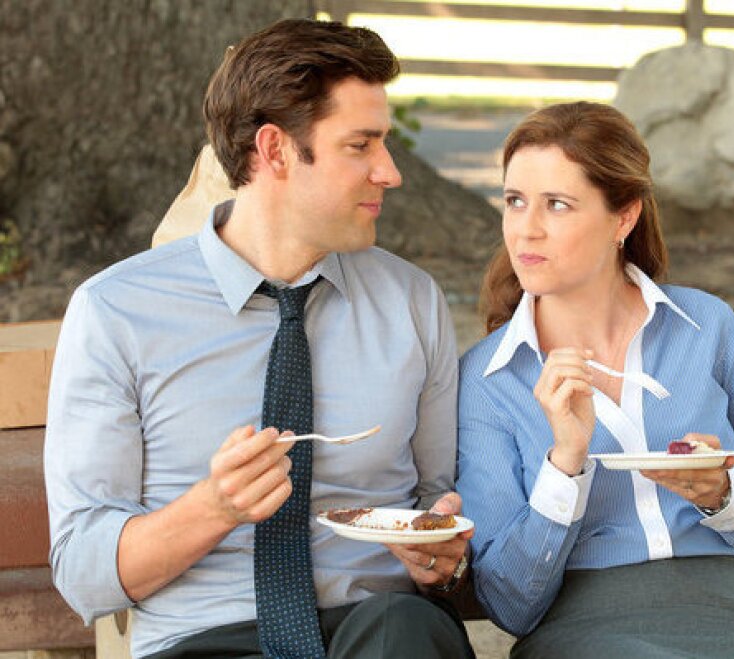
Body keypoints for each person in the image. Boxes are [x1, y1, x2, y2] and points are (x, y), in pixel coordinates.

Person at [45, 19, 474, 659]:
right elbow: (84, 574)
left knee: (408, 632)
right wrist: (213, 508)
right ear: (274, 150)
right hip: (203, 640)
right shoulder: (116, 312)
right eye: (361, 146)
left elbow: (435, 504)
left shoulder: (411, 302)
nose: (390, 172)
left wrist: (437, 553)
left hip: (379, 632)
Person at [455, 101, 734, 658]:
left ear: (623, 218)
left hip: (729, 613)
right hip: (582, 627)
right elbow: (508, 604)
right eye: (514, 201)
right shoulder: (488, 377)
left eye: (557, 204)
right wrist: (564, 464)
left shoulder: (707, 329)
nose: (526, 228)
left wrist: (721, 493)